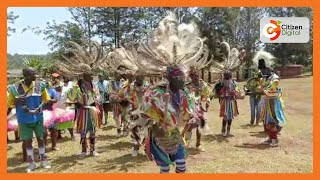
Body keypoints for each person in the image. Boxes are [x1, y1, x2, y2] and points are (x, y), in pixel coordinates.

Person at [7, 68, 52, 172]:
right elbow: (9, 104)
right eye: (33, 73)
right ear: (26, 75)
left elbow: (46, 99)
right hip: (23, 119)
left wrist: (47, 103)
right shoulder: (14, 88)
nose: (36, 75)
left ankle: (43, 161)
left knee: (41, 139)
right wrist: (17, 100)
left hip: (38, 118)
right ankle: (31, 164)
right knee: (28, 142)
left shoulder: (40, 85)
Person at [253, 52, 286, 147]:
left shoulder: (274, 78)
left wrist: (262, 90)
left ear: (267, 68)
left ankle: (274, 140)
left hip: (273, 102)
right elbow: (261, 87)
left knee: (272, 121)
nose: (261, 72)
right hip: (266, 101)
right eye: (261, 70)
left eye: (263, 70)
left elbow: (272, 89)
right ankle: (271, 138)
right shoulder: (264, 78)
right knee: (267, 121)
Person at [182, 66, 211, 151]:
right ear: (190, 77)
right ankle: (187, 142)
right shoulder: (187, 86)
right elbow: (184, 95)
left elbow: (207, 95)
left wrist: (207, 102)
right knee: (189, 126)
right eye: (193, 76)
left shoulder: (203, 84)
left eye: (196, 75)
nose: (195, 77)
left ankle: (198, 144)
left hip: (200, 108)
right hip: (190, 108)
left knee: (199, 125)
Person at [76, 72, 101, 158]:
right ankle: (83, 151)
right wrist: (80, 102)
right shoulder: (78, 86)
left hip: (92, 110)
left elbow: (97, 96)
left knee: (93, 131)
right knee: (83, 131)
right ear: (84, 75)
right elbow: (75, 98)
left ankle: (92, 150)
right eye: (89, 74)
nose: (91, 76)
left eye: (91, 74)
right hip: (83, 111)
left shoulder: (93, 85)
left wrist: (96, 101)